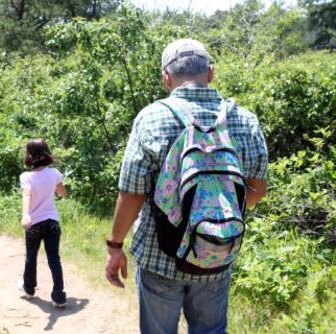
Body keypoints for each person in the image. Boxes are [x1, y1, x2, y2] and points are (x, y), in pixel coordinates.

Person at [104, 39, 268, 333]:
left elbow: (132, 193)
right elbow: (255, 195)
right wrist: (212, 211)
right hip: (217, 252)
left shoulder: (152, 117)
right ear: (211, 73)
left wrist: (115, 246)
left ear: (166, 77)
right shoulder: (245, 120)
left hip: (160, 257)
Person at [18, 138, 67, 308]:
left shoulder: (26, 177)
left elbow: (27, 194)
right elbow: (62, 193)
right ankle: (59, 296)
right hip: (52, 222)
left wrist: (26, 215)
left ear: (29, 155)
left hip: (34, 223)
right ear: (47, 152)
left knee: (31, 256)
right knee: (54, 258)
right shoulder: (54, 173)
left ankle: (29, 289)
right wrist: (53, 186)